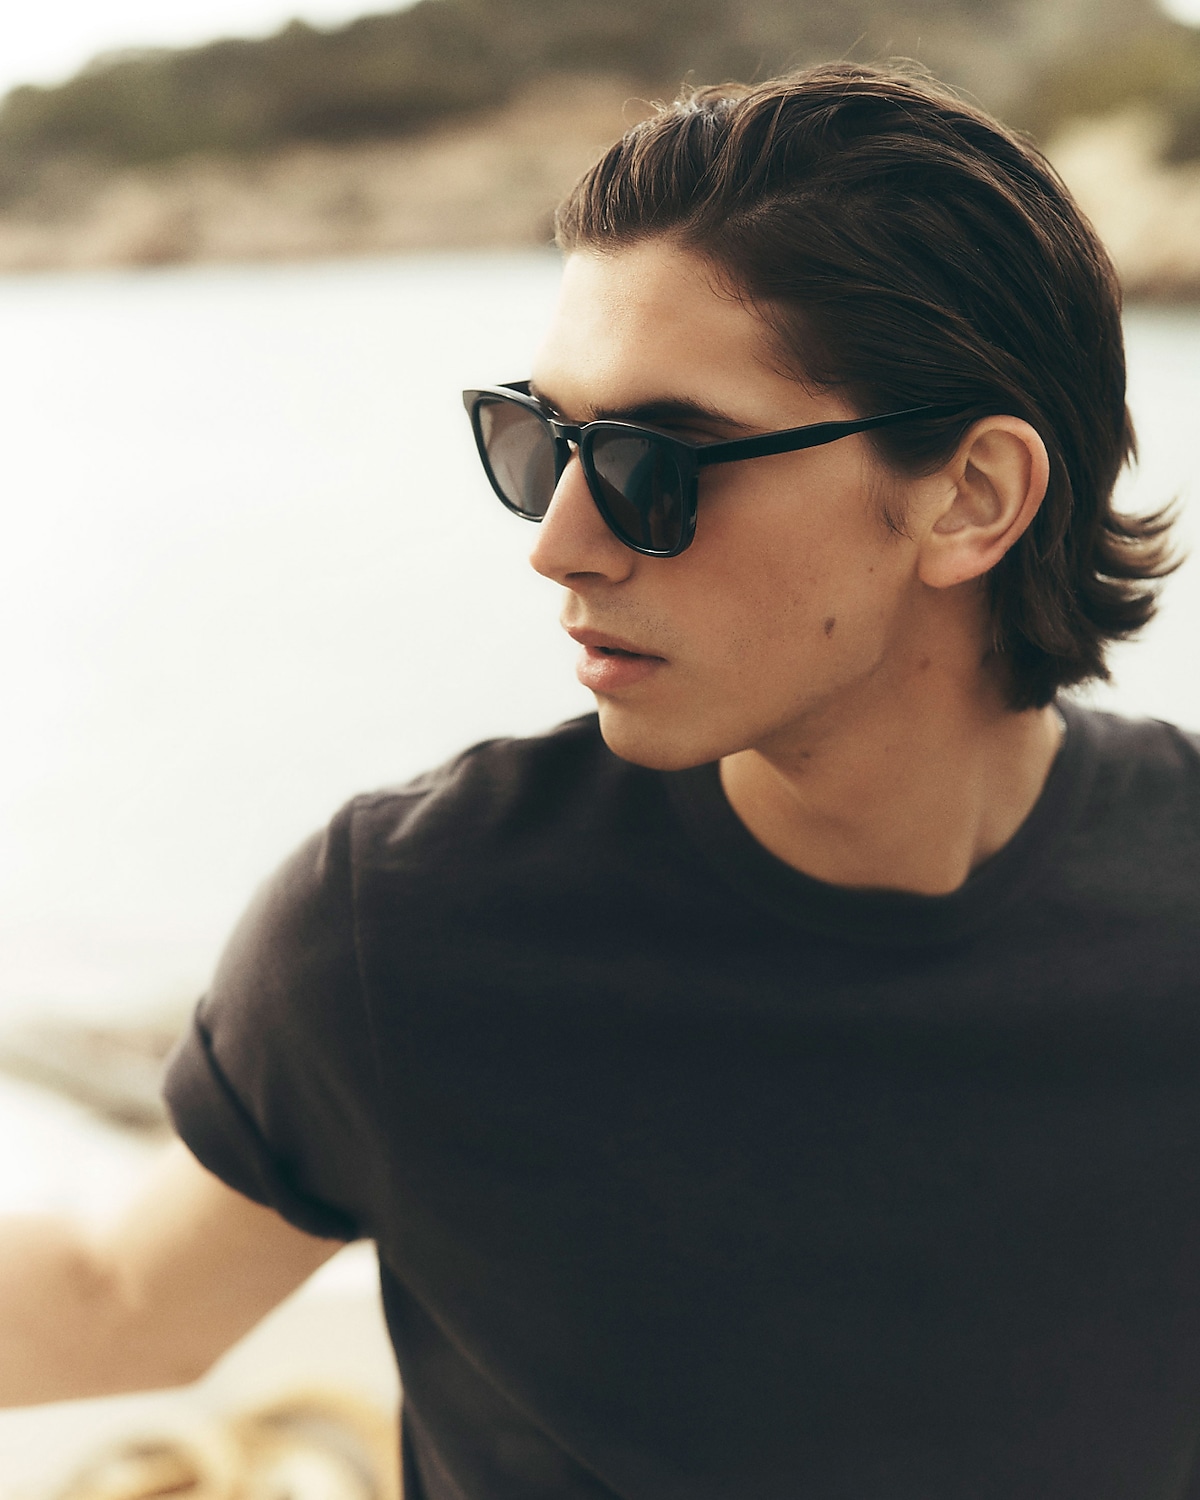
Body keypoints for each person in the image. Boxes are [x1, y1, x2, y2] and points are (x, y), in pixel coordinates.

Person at [2, 59, 1197, 1500]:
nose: (559, 541)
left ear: (973, 497)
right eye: (540, 440)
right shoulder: (408, 926)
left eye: (654, 461)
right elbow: (118, 1299)